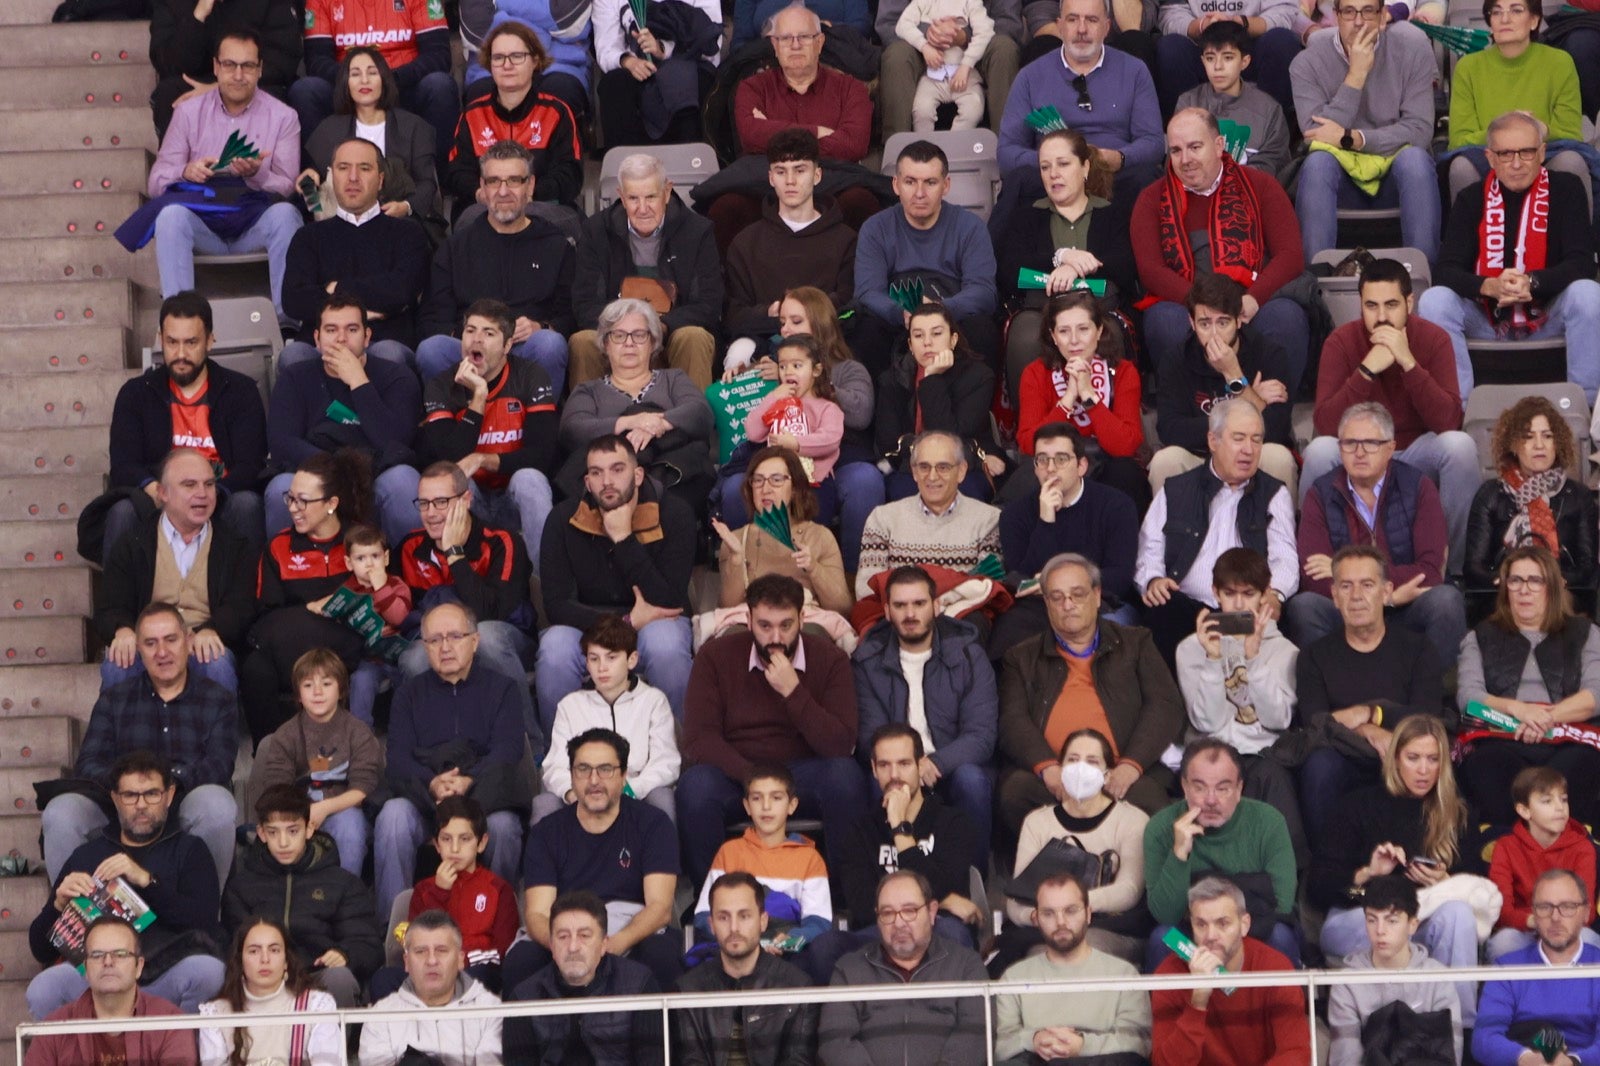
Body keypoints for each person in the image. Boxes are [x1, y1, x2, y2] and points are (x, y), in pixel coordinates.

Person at [680, 574, 871, 885]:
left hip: (804, 771)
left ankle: (841, 900)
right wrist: (751, 776)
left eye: (786, 625)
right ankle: (712, 902)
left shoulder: (830, 658)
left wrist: (793, 692)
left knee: (846, 778)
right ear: (749, 619)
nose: (775, 637)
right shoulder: (716, 656)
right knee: (695, 788)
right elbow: (699, 739)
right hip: (737, 772)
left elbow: (841, 743)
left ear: (802, 618)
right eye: (765, 626)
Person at [45, 603, 238, 886]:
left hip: (184, 801)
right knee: (60, 812)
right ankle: (76, 917)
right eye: (151, 643)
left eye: (171, 640)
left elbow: (220, 766)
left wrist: (165, 784)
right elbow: (87, 764)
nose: (162, 652)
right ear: (138, 649)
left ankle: (205, 917)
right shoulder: (115, 699)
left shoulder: (218, 699)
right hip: (121, 805)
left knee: (217, 805)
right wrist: (129, 787)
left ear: (188, 641)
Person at [1305, 258, 1478, 571]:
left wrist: (1409, 363)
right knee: (1319, 451)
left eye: (1391, 305)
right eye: (1371, 306)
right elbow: (1326, 424)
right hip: (1359, 449)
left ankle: (1453, 572)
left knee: (1460, 447)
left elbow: (1449, 420)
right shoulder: (1341, 342)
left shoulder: (1434, 338)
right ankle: (1314, 570)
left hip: (1413, 452)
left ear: (1409, 303)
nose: (1381, 317)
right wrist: (1367, 369)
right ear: (1360, 304)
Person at [1418, 110, 1600, 404]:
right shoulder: (1471, 198)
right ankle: (1458, 408)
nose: (1516, 163)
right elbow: (1446, 271)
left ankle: (1586, 407)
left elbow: (1582, 263)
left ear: (1542, 152)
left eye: (1526, 152)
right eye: (1505, 154)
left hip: (1546, 316)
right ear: (1490, 158)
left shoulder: (1567, 188)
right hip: (1488, 321)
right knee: (1434, 300)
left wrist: (1532, 283)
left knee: (1588, 293)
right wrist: (1488, 286)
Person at [28, 751, 226, 1019]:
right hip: (99, 975)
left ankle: (179, 1054)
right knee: (43, 989)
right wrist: (58, 906)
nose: (141, 805)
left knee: (209, 973)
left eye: (151, 794)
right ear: (115, 798)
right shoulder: (87, 855)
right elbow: (39, 949)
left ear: (168, 796)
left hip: (165, 972)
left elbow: (205, 923)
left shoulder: (189, 849)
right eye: (130, 795)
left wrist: (147, 881)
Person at [1310, 715, 1482, 1024]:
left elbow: (1482, 890)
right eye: (1413, 758)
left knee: (1458, 912)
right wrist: (1368, 875)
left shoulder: (1458, 814)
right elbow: (1319, 886)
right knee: (1386, 923)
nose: (1424, 769)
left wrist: (1446, 883)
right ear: (1395, 758)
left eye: (1433, 759)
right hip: (1361, 917)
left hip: (1424, 921)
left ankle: (1460, 1029)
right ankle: (1390, 1025)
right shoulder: (1357, 805)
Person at [998, 552, 1185, 833]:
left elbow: (1165, 705)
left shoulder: (1136, 643)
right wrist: (1048, 769)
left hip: (1122, 771)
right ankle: (1052, 875)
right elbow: (1012, 720)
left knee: (1152, 806)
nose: (1068, 605)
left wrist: (1130, 766)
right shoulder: (1021, 657)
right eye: (1057, 597)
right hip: (1054, 775)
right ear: (1046, 603)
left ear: (1097, 596)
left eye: (1077, 594)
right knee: (1015, 793)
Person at [1131, 108, 1309, 398]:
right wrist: (1203, 310)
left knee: (1286, 317)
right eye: (1175, 150)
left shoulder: (1261, 185)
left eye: (1194, 147)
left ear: (1218, 146)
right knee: (1164, 321)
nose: (1185, 160)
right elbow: (1150, 270)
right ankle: (1191, 418)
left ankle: (1274, 418)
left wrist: (1252, 299)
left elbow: (1290, 256)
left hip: (1250, 299)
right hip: (1187, 302)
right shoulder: (1152, 199)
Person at [373, 600, 532, 918]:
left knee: (504, 827)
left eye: (455, 637)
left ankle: (498, 920)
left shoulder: (502, 689)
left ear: (474, 641)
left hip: (483, 797)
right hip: (426, 799)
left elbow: (508, 750)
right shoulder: (408, 694)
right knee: (393, 816)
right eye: (434, 640)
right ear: (425, 647)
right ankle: (395, 927)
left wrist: (468, 780)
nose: (445, 647)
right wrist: (432, 783)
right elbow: (398, 758)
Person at [1287, 401, 1470, 668]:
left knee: (1446, 601)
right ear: (1340, 448)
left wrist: (1354, 579)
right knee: (1304, 607)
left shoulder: (1419, 487)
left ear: (1390, 448)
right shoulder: (1320, 493)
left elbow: (1430, 571)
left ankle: (1429, 702)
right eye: (1350, 443)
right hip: (1348, 609)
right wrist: (1379, 593)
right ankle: (1336, 700)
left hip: (1404, 607)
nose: (1359, 452)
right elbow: (1313, 577)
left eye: (1371, 443)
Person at [720, 287, 885, 573]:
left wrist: (815, 381)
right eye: (782, 322)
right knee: (736, 488)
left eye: (796, 321)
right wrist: (740, 378)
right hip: (774, 454)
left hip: (835, 456)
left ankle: (849, 578)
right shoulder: (771, 366)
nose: (785, 328)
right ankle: (744, 573)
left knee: (864, 481)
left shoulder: (847, 368)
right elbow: (751, 422)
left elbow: (861, 414)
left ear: (820, 323)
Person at [537, 432, 696, 728]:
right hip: (587, 622)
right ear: (587, 482)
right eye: (596, 473)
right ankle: (558, 757)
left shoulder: (674, 513)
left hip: (657, 619)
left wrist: (624, 539)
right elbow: (556, 604)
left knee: (666, 646)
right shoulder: (563, 518)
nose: (606, 481)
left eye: (617, 469)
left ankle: (682, 753)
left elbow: (670, 599)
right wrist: (624, 622)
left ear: (638, 475)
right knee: (554, 650)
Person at [99, 291, 266, 561]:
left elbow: (251, 464)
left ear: (210, 341)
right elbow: (123, 465)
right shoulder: (135, 393)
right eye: (172, 342)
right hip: (160, 499)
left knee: (247, 505)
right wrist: (158, 490)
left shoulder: (240, 391)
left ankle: (248, 602)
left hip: (220, 498)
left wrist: (210, 495)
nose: (180, 354)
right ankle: (117, 604)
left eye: (191, 343)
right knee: (122, 512)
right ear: (159, 339)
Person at [147, 32, 301, 324]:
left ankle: (287, 324)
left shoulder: (283, 116)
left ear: (260, 69)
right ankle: (179, 322)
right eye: (230, 65)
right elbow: (156, 182)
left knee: (286, 215)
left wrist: (257, 175)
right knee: (170, 217)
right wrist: (186, 171)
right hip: (204, 224)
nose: (239, 75)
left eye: (248, 66)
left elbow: (287, 183)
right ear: (216, 67)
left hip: (253, 223)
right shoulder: (188, 113)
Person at [514, 728, 684, 990]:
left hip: (630, 926)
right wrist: (565, 946)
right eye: (583, 769)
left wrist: (612, 944)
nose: (594, 780)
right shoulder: (546, 832)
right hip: (565, 928)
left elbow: (659, 909)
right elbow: (538, 913)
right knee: (521, 961)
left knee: (661, 955)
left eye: (605, 769)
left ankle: (658, 1033)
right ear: (571, 776)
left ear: (623, 775)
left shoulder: (653, 824)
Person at [854, 565, 998, 867]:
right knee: (871, 781)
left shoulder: (968, 655)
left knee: (972, 781)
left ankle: (973, 884)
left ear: (937, 605)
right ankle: (885, 882)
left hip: (951, 765)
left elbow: (981, 735)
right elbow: (871, 736)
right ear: (887, 611)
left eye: (919, 604)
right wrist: (904, 768)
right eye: (900, 605)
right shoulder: (868, 660)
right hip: (897, 767)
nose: (910, 614)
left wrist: (934, 763)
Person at [1135, 399, 1298, 666]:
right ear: (1213, 440)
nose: (1249, 450)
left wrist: (1275, 593)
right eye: (1239, 438)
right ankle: (1174, 704)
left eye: (1256, 440)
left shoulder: (1273, 493)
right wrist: (1153, 580)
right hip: (1189, 610)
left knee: (1283, 616)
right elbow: (1149, 548)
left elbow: (1285, 557)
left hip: (1250, 611)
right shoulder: (1176, 489)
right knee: (1161, 608)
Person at [707, 10, 878, 254]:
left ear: (820, 43)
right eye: (786, 38)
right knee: (726, 208)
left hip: (831, 182)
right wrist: (819, 132)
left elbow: (854, 144)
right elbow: (750, 135)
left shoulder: (850, 88)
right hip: (767, 186)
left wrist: (771, 131)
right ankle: (734, 291)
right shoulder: (752, 87)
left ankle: (855, 289)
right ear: (774, 45)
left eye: (805, 37)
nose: (795, 45)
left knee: (861, 202)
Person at [992, 127, 1140, 406]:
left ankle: (1109, 424)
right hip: (1040, 310)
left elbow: (1125, 268)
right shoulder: (1027, 215)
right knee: (1025, 336)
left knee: (1108, 333)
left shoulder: (1112, 213)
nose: (1053, 174)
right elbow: (1010, 271)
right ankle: (1032, 429)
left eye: (1063, 164)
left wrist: (1077, 268)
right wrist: (1060, 258)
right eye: (1045, 167)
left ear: (1085, 167)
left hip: (1100, 309)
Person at [1174, 548, 1304, 861]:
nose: (1240, 604)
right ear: (1215, 593)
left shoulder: (1285, 651)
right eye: (1230, 593)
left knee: (1272, 776)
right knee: (1212, 777)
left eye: (1249, 593)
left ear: (1265, 595)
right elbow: (1207, 723)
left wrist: (1255, 658)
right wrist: (1213, 660)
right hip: (1211, 751)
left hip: (1262, 754)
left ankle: (1289, 879)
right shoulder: (1191, 649)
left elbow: (1278, 720)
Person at [94, 448, 257, 695]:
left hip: (202, 640)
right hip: (148, 642)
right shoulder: (133, 543)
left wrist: (213, 629)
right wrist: (123, 628)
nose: (202, 494)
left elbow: (241, 607)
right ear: (163, 493)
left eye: (209, 484)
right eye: (189, 485)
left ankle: (219, 735)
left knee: (217, 665)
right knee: (119, 663)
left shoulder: (235, 545)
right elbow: (109, 607)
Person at [1457, 546, 1600, 827]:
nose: (1524, 590)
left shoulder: (1586, 633)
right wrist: (1518, 710)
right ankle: (1502, 847)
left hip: (1569, 736)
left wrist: (1545, 718)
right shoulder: (1480, 636)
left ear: (1554, 587)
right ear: (1505, 587)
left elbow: (1595, 695)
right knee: (1488, 765)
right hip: (1501, 735)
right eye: (1515, 580)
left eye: (1535, 580)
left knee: (1579, 766)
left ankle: (1572, 850)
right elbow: (1469, 699)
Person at [263, 294, 421, 545]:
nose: (341, 339)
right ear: (316, 338)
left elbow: (396, 441)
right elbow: (281, 441)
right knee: (280, 488)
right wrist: (335, 472)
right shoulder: (295, 377)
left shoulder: (397, 377)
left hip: (376, 473)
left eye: (352, 329)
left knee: (403, 481)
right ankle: (293, 576)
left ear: (367, 337)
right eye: (331, 330)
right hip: (317, 473)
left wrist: (358, 381)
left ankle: (403, 576)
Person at [394, 461, 538, 736]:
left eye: (441, 502)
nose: (431, 514)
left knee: (486, 637)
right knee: (414, 658)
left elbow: (491, 612)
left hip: (507, 637)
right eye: (424, 504)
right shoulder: (409, 547)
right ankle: (433, 748)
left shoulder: (501, 541)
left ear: (466, 500)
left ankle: (527, 744)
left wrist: (454, 553)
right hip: (441, 640)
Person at [418, 299, 559, 578]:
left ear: (507, 346)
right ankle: (463, 579)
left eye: (489, 333)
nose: (476, 340)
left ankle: (545, 588)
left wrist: (483, 458)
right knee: (457, 478)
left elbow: (542, 455)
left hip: (513, 499)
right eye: (470, 330)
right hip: (472, 499)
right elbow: (449, 456)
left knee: (530, 479)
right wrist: (478, 398)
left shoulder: (530, 376)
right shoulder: (441, 386)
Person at [241, 449, 375, 742]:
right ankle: (271, 754)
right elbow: (267, 619)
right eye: (290, 498)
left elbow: (378, 605)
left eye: (304, 500)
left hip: (349, 652)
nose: (293, 508)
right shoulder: (279, 547)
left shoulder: (363, 541)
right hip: (291, 654)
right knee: (255, 667)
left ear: (331, 504)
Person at [417, 141, 576, 386]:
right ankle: (452, 422)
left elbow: (569, 314)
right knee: (431, 350)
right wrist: (471, 336)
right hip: (469, 354)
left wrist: (541, 326)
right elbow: (434, 317)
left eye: (513, 180)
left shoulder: (555, 245)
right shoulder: (455, 247)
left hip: (525, 350)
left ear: (530, 185)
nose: (503, 192)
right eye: (493, 181)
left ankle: (539, 421)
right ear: (482, 187)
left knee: (550, 344)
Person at [1289, 6, 1439, 261]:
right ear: (1336, 17)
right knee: (1317, 163)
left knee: (1416, 160)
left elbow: (1419, 131)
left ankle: (1425, 282)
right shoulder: (1306, 63)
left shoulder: (1413, 49)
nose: (1358, 22)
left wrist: (1354, 138)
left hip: (1396, 173)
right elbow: (1316, 135)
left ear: (1382, 17)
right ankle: (1314, 280)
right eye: (1349, 12)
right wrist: (1355, 76)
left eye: (1368, 11)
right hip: (1341, 177)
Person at [996, 728, 1151, 971]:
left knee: (1084, 951)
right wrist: (1042, 917)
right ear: (1061, 767)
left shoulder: (1133, 820)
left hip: (1109, 929)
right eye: (1073, 760)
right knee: (1043, 955)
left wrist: (1066, 907)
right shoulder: (1037, 822)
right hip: (1046, 932)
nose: (1081, 768)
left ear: (1107, 773)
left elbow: (1129, 891)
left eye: (1092, 761)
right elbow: (1016, 901)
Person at [223, 784, 382, 1006]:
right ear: (261, 833)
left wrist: (345, 954)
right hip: (261, 979)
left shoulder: (343, 883)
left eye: (293, 831)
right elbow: (233, 946)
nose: (284, 842)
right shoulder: (242, 886)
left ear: (310, 828)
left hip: (319, 976)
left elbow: (368, 944)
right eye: (273, 832)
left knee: (340, 978)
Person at [1144, 739, 1300, 966]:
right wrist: (1179, 854)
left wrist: (1224, 942)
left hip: (1251, 932)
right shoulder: (1160, 827)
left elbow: (1282, 904)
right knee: (1164, 938)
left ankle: (1279, 1001)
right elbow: (1165, 916)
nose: (1210, 800)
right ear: (1185, 787)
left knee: (1281, 936)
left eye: (1223, 788)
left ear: (1239, 789)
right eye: (1199, 787)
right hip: (1193, 936)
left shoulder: (1268, 821)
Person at [570, 158, 722, 389]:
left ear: (667, 191)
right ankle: (588, 422)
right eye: (633, 198)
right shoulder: (595, 231)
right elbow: (585, 305)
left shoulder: (698, 231)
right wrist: (626, 330)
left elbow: (708, 305)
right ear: (621, 196)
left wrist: (661, 326)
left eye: (650, 197)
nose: (642, 208)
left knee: (694, 337)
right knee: (582, 341)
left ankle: (693, 422)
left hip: (673, 333)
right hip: (617, 333)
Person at [556, 299, 717, 515]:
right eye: (619, 335)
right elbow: (572, 430)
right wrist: (632, 422)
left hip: (671, 492)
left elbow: (700, 413)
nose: (629, 343)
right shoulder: (589, 390)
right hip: (607, 495)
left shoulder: (673, 379)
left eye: (639, 335)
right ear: (606, 344)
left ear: (653, 343)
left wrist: (659, 423)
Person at [992, 423, 1140, 657]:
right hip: (1038, 608)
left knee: (1112, 637)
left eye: (1061, 459)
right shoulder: (1014, 514)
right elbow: (1021, 578)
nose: (1051, 469)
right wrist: (1045, 522)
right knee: (1010, 638)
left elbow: (1120, 578)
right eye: (1042, 460)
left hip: (1102, 604)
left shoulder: (1116, 506)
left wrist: (1061, 587)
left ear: (1081, 465)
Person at [853, 142, 999, 377]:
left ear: (946, 185)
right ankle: (883, 412)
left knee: (983, 329)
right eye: (910, 182)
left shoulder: (970, 227)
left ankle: (975, 412)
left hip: (951, 315)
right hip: (897, 319)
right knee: (865, 330)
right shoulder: (875, 228)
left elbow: (984, 292)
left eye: (930, 182)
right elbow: (867, 292)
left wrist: (939, 311)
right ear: (896, 185)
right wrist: (902, 313)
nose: (920, 193)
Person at [279, 137, 432, 360]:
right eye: (343, 168)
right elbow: (294, 300)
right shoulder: (308, 236)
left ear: (380, 180)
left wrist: (335, 287)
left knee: (388, 354)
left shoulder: (408, 233)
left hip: (386, 343)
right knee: (293, 356)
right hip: (320, 346)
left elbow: (401, 291)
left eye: (364, 168)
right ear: (333, 178)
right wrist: (367, 310)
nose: (353, 177)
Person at [817, 870, 990, 1063]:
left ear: (932, 912)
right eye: (887, 913)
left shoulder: (966, 965)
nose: (899, 923)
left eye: (909, 911)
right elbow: (835, 1041)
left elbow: (977, 1034)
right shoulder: (849, 970)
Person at [997, 0, 1164, 198]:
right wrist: (1056, 162)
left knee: (1146, 178)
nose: (1081, 29)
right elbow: (1007, 153)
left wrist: (1119, 158)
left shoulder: (1135, 71)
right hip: (1052, 182)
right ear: (1059, 25)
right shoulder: (1030, 77)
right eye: (1072, 20)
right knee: (1019, 183)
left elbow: (1153, 143)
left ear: (1106, 27)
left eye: (1092, 20)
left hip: (1114, 176)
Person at [1149, 273, 1296, 497]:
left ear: (1239, 320)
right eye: (1205, 323)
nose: (1215, 334)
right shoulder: (1176, 359)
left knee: (1277, 457)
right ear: (1191, 323)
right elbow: (1171, 431)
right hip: (1199, 455)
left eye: (1223, 322)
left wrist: (1233, 374)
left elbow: (1275, 430)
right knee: (1165, 461)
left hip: (1250, 451)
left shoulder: (1269, 353)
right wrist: (1252, 403)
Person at [839, 724, 986, 947]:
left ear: (921, 765)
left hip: (938, 932)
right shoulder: (859, 830)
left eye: (904, 764)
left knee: (953, 933)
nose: (894, 775)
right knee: (826, 947)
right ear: (873, 769)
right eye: (884, 765)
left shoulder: (953, 822)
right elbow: (862, 906)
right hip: (878, 936)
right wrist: (943, 900)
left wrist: (899, 828)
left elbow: (948, 883)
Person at [244, 646, 384, 879]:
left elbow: (363, 788)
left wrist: (324, 808)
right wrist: (304, 817)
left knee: (349, 823)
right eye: (308, 685)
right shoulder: (286, 734)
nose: (317, 692)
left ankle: (343, 897)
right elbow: (278, 791)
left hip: (347, 815)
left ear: (341, 690)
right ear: (298, 695)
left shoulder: (358, 732)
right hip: (296, 818)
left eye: (326, 684)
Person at [691, 768, 840, 983]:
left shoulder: (810, 858)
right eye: (757, 798)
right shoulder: (729, 852)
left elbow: (818, 922)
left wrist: (788, 941)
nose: (766, 806)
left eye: (776, 798)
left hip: (787, 951)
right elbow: (705, 915)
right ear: (746, 806)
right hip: (733, 946)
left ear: (792, 805)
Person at [993, 872, 1153, 1066]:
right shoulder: (1013, 978)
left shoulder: (1124, 974)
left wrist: (1082, 1045)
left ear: (1088, 914)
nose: (1060, 922)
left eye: (1070, 910)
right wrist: (1034, 1040)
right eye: (1048, 913)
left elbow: (1139, 1045)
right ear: (1035, 919)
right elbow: (999, 1047)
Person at [1444, 1, 1593, 209]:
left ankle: (1579, 241)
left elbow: (1571, 135)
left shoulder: (1560, 62)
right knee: (1461, 167)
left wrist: (1539, 130)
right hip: (1489, 157)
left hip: (1544, 155)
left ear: (1534, 20)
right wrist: (1506, 130)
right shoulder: (1468, 67)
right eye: (1496, 12)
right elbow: (1459, 141)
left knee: (1571, 161)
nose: (1505, 19)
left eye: (1516, 10)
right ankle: (1467, 241)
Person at [370, 795, 521, 999]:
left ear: (482, 843)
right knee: (383, 979)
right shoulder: (424, 890)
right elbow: (416, 941)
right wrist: (439, 892)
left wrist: (459, 962)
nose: (455, 848)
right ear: (437, 845)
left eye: (465, 839)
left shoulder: (498, 889)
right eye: (446, 839)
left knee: (480, 975)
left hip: (474, 972)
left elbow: (504, 952)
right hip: (428, 973)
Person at [535, 615, 680, 825]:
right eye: (594, 659)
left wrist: (627, 789)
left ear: (632, 660)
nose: (602, 667)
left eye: (611, 658)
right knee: (545, 804)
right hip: (583, 795)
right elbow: (555, 766)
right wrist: (575, 792)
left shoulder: (653, 701)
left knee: (663, 799)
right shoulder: (570, 705)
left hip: (635, 792)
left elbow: (666, 763)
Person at [1149, 877, 1310, 1066]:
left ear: (1244, 925)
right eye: (1201, 924)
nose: (1210, 936)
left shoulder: (1275, 968)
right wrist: (1197, 1002)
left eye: (1223, 923)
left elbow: (1295, 1053)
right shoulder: (1170, 975)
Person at [722, 132, 859, 347]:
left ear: (817, 175)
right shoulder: (745, 244)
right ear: (770, 178)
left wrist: (805, 313)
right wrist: (768, 312)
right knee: (738, 352)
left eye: (800, 170)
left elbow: (849, 304)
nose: (790, 181)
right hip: (759, 344)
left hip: (827, 344)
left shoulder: (846, 240)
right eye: (780, 171)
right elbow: (733, 314)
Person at [1014, 291, 1148, 510]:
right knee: (1029, 479)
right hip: (1054, 466)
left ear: (1099, 331)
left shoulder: (1124, 371)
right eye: (1064, 331)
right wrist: (1068, 398)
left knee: (1126, 473)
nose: (1074, 340)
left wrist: (1088, 396)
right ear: (1053, 336)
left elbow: (1126, 447)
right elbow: (1029, 445)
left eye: (1083, 329)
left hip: (1107, 466)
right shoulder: (1035, 373)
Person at [1464, 396, 1598, 611]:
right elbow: (1473, 568)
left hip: (1561, 598)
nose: (1539, 445)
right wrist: (1513, 581)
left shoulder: (1579, 496)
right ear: (1514, 445)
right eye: (1528, 437)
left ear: (1558, 443)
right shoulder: (1490, 494)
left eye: (1547, 436)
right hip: (1505, 597)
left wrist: (1551, 581)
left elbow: (1587, 569)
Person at [293, 0, 458, 170]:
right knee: (305, 90)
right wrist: (354, 77)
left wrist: (390, 78)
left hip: (403, 85)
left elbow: (439, 55)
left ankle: (442, 181)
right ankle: (314, 181)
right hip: (348, 90)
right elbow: (316, 60)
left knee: (440, 85)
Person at [503, 891, 664, 1062]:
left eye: (584, 936)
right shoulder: (523, 999)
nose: (573, 947)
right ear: (551, 945)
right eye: (563, 937)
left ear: (604, 944)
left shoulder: (640, 986)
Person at [675, 873, 819, 1063]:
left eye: (744, 916)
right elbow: (691, 1061)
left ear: (763, 921)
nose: (734, 927)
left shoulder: (798, 987)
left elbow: (798, 1061)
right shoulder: (688, 990)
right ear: (712, 925)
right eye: (723, 917)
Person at [876, 303, 1008, 503]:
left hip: (963, 467)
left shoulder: (978, 376)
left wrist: (931, 379)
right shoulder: (892, 380)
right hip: (908, 467)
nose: (927, 342)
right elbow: (889, 442)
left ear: (953, 340)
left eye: (937, 334)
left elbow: (951, 437)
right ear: (910, 345)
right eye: (918, 336)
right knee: (903, 494)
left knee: (966, 494)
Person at [23, 917, 199, 1066]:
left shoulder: (170, 1023)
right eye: (97, 955)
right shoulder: (54, 1028)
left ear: (139, 966)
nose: (108, 962)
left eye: (120, 954)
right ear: (85, 969)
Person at [1327, 874, 1462, 1066]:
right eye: (1372, 920)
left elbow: (1448, 1054)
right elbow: (1345, 1059)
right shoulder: (1347, 984)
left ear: (1412, 925)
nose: (1380, 930)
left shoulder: (1438, 979)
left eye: (1391, 921)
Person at [446, 22, 582, 212]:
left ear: (535, 61)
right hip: (485, 213)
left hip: (541, 211)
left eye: (517, 56)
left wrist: (528, 196)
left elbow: (570, 174)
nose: (507, 65)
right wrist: (479, 192)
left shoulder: (557, 112)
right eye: (498, 58)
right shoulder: (472, 115)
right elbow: (456, 172)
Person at [710, 446, 855, 625]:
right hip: (751, 629)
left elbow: (843, 609)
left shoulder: (820, 536)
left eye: (776, 480)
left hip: (807, 628)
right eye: (758, 480)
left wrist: (814, 568)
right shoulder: (736, 539)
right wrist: (737, 559)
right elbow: (727, 609)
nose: (766, 488)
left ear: (794, 488)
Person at [855, 430, 1004, 600]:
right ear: (914, 472)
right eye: (924, 467)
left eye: (943, 467)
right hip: (900, 621)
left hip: (962, 621)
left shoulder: (989, 520)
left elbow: (987, 587)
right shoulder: (882, 519)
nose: (932, 476)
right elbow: (866, 590)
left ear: (962, 471)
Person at [300, 46, 440, 226]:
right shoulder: (328, 130)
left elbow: (427, 184)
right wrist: (317, 206)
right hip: (342, 227)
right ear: (346, 82)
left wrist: (406, 206)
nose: (364, 80)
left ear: (384, 79)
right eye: (355, 74)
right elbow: (308, 189)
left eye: (372, 73)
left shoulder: (414, 127)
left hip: (400, 224)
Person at [1474, 869, 1600, 1066]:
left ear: (1585, 913)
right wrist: (1524, 1058)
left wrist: (1574, 1061)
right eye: (1545, 907)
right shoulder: (1507, 968)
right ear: (1533, 913)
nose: (1556, 917)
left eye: (1567, 907)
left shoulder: (1597, 966)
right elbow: (1484, 1038)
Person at [358, 910, 504, 1066]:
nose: (432, 960)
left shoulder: (490, 1010)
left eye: (441, 951)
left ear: (460, 960)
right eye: (421, 952)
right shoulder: (380, 1016)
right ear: (406, 962)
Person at [1487, 767, 1600, 959]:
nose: (1559, 807)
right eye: (1547, 801)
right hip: (1525, 927)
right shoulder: (1506, 846)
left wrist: (1558, 921)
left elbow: (1585, 911)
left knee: (1588, 939)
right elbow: (1500, 910)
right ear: (1524, 810)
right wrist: (1536, 921)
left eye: (1563, 799)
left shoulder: (1582, 847)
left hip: (1569, 928)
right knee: (1503, 943)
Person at [197, 917, 341, 1065]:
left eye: (274, 950)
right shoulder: (216, 1013)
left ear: (286, 961)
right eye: (254, 951)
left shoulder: (316, 1005)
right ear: (240, 961)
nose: (265, 959)